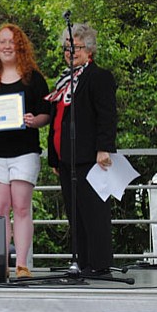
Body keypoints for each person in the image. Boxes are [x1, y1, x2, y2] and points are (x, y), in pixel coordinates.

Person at [0, 24, 50, 278]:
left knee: (22, 207)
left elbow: (47, 114)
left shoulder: (34, 79)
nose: (6, 46)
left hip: (25, 151)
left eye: (12, 42)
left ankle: (22, 265)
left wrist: (34, 121)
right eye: (2, 42)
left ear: (20, 46)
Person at [46, 23, 117, 276]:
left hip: (90, 156)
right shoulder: (63, 81)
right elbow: (57, 120)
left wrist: (104, 148)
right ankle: (82, 262)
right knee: (74, 213)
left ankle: (99, 264)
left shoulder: (98, 77)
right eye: (67, 48)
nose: (71, 52)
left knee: (94, 211)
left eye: (76, 47)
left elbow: (107, 116)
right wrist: (54, 156)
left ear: (89, 50)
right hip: (67, 158)